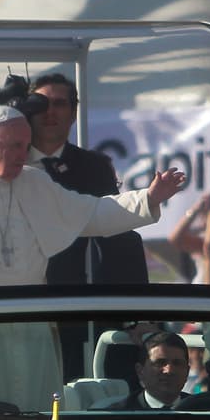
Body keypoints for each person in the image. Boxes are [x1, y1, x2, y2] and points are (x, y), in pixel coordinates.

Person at [0, 104, 184, 409]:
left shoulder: (35, 182)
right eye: (13, 146)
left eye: (25, 146)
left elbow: (91, 214)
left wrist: (148, 198)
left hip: (29, 322)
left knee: (36, 410)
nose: (22, 155)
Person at [30, 73, 148, 287]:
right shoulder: (8, 163)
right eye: (41, 104)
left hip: (71, 299)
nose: (49, 112)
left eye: (59, 104)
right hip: (10, 295)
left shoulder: (93, 167)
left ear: (73, 113)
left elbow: (115, 235)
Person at [109, 331, 192, 410]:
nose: (169, 370)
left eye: (177, 363)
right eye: (160, 363)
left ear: (187, 372)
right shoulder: (117, 415)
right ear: (140, 371)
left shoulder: (201, 409)